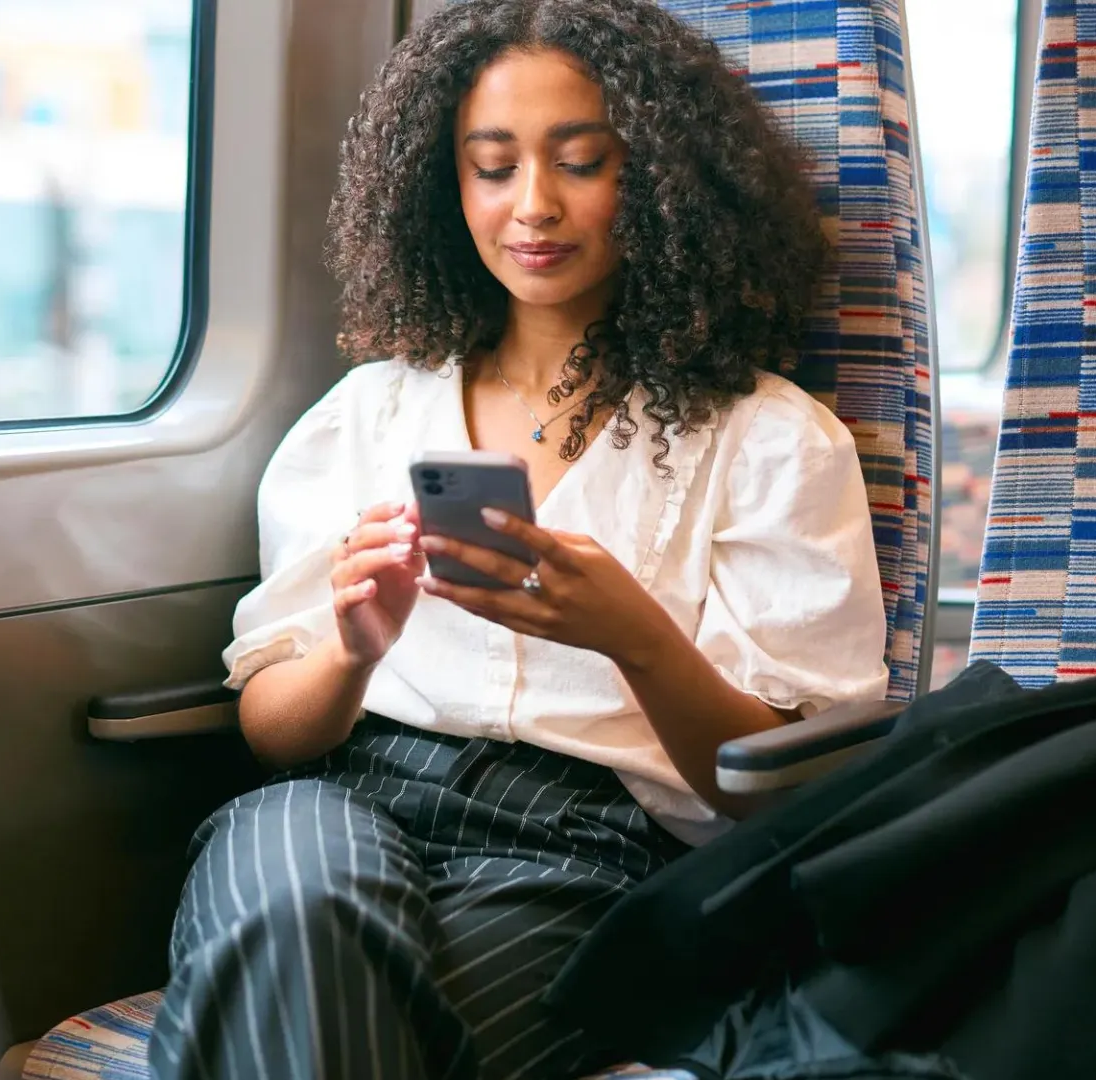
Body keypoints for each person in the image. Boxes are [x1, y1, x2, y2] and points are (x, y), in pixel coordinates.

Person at [150, 2, 889, 1077]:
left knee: (321, 1012)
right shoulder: (371, 411)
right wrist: (352, 650)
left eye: (582, 163)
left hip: (584, 852)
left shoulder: (770, 441)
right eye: (492, 167)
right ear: (443, 187)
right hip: (342, 799)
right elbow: (274, 733)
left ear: (662, 179)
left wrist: (634, 637)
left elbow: (782, 790)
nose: (533, 205)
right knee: (294, 910)